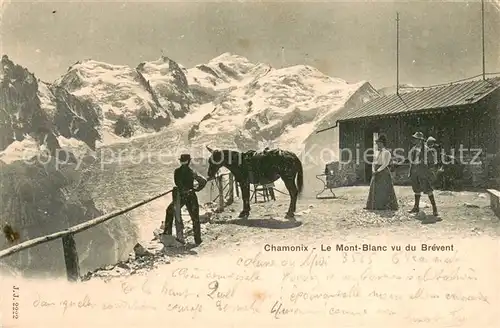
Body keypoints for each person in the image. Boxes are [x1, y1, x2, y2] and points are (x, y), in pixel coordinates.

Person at [164, 154, 207, 245]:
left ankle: (167, 234)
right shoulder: (192, 172)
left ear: (181, 161)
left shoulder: (177, 171)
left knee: (169, 211)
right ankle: (197, 239)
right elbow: (203, 181)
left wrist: (184, 190)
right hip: (191, 195)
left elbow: (177, 183)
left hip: (180, 196)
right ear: (189, 161)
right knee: (195, 218)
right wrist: (196, 189)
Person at [408, 132, 441, 221]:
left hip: (424, 172)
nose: (415, 141)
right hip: (415, 172)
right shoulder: (413, 149)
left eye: (417, 139)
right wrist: (410, 172)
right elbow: (411, 161)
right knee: (416, 189)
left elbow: (432, 162)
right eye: (415, 139)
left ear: (421, 140)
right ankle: (416, 207)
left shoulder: (427, 150)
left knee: (428, 190)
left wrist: (429, 171)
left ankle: (434, 209)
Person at [365, 134, 398, 210]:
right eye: (377, 143)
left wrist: (378, 170)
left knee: (383, 189)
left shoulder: (387, 153)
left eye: (379, 143)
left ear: (383, 143)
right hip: (376, 170)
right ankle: (373, 206)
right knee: (374, 188)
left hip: (383, 171)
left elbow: (385, 164)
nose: (378, 144)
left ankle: (383, 206)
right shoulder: (376, 152)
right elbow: (374, 162)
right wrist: (373, 170)